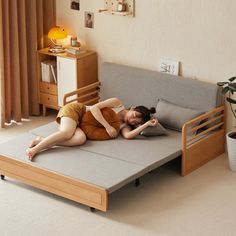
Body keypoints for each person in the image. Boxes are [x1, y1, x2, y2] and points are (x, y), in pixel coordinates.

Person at [26, 98, 158, 161]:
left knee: (80, 139)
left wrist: (145, 125)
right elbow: (94, 108)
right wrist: (107, 126)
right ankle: (35, 149)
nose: (132, 120)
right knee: (66, 134)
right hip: (77, 112)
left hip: (82, 126)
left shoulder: (124, 126)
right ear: (133, 108)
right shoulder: (117, 103)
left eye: (136, 122)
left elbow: (128, 136)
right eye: (134, 115)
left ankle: (41, 140)